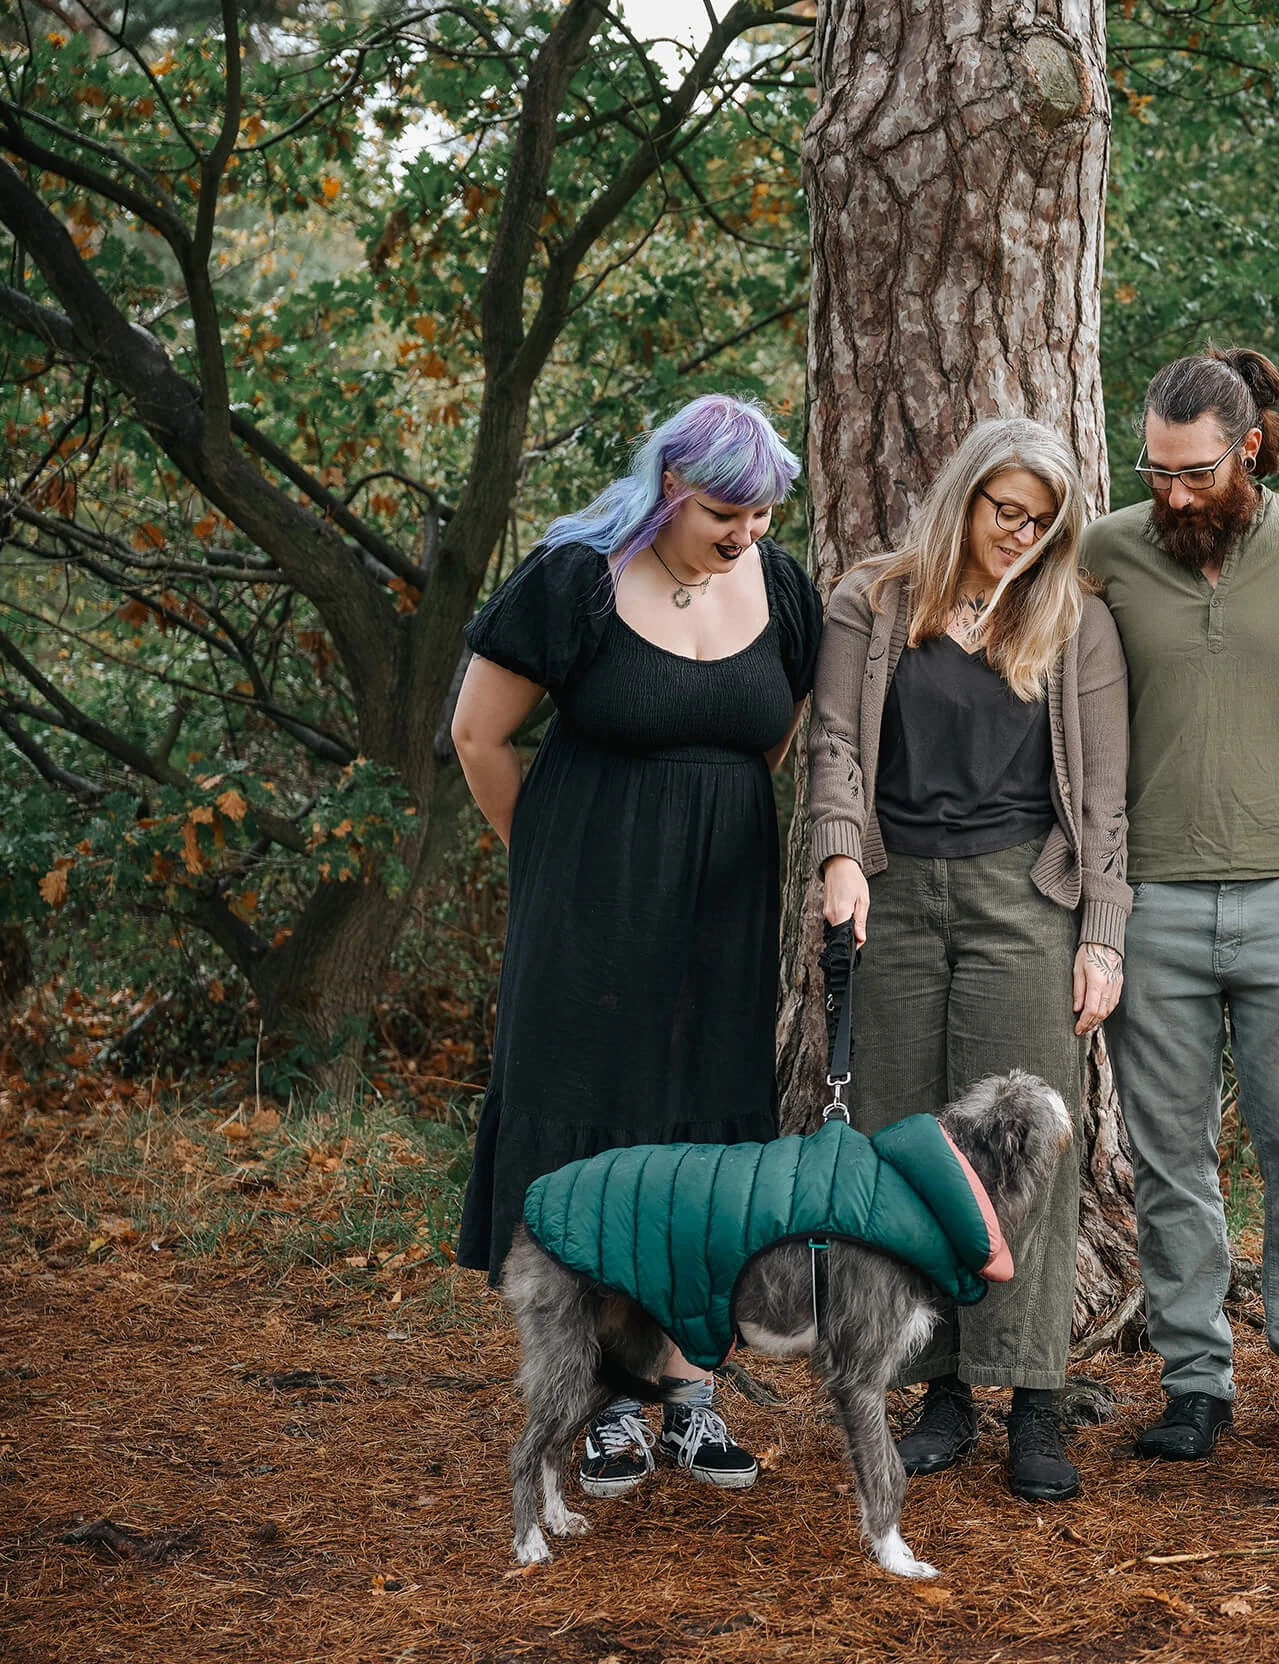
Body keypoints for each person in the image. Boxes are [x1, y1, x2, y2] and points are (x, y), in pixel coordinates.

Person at [451, 393, 820, 1499]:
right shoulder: (573, 576)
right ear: (667, 486)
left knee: (701, 1140)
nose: (746, 532)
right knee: (598, 1135)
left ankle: (688, 1390)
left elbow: (769, 741)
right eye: (723, 511)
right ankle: (609, 1399)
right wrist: (558, 862)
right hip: (586, 918)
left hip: (721, 919)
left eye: (761, 514)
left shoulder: (784, 589)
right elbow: (478, 734)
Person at [803, 417, 1129, 1504]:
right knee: (912, 1142)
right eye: (1007, 514)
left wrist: (1101, 932)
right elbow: (837, 741)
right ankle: (938, 1387)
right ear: (964, 498)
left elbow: (1104, 800)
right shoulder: (873, 600)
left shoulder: (1073, 620)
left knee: (1025, 1148)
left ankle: (1031, 1396)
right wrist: (840, 855)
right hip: (892, 895)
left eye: (1043, 523)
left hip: (1020, 897)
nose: (1022, 538)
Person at [1080, 349, 1279, 1464]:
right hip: (1149, 902)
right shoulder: (1106, 551)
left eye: (1195, 473)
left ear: (1247, 447)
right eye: (1155, 471)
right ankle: (1194, 1377)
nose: (1171, 494)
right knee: (1168, 1155)